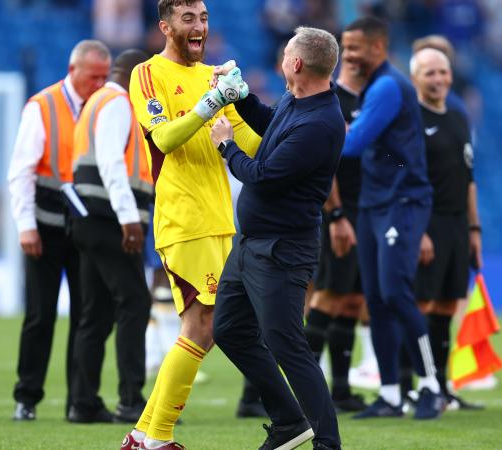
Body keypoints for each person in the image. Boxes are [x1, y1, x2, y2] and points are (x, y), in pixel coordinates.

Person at [119, 1, 260, 448]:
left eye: (203, 18)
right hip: (183, 218)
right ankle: (154, 435)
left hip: (220, 219)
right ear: (165, 26)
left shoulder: (214, 75)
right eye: (188, 19)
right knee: (204, 325)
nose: (198, 27)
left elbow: (249, 144)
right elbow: (162, 138)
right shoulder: (147, 73)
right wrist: (209, 104)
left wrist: (283, 112)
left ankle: (145, 434)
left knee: (206, 327)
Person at [212, 26, 344, 450]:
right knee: (229, 330)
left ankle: (328, 442)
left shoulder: (322, 123)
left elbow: (264, 177)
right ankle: (288, 421)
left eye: (287, 52)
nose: (282, 57)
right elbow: (272, 127)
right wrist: (241, 97)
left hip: (282, 251)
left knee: (289, 346)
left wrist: (226, 147)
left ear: (297, 64)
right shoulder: (298, 101)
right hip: (251, 244)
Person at [338, 16, 445, 420]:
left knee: (395, 292)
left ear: (378, 48)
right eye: (344, 47)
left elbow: (353, 144)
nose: (348, 54)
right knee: (378, 300)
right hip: (373, 202)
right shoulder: (376, 87)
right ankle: (391, 394)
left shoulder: (387, 86)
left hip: (402, 202)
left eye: (354, 48)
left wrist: (311, 136)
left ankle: (432, 386)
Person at [7, 39, 110, 421]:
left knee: (87, 316)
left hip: (87, 228)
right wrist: (25, 226)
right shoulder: (42, 106)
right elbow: (20, 171)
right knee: (40, 314)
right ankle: (27, 397)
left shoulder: (105, 106)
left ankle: (79, 401)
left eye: (104, 77)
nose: (100, 84)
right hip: (46, 228)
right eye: (93, 76)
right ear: (73, 71)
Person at [69, 48, 153, 424]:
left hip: (91, 217)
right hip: (110, 219)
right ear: (136, 75)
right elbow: (111, 162)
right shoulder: (118, 102)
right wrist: (128, 218)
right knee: (135, 303)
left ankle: (83, 402)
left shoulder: (95, 102)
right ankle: (131, 400)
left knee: (96, 313)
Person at [410, 47, 484, 410]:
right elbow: (406, 178)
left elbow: (469, 178)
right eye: (430, 73)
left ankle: (440, 385)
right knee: (420, 305)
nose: (439, 79)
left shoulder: (458, 116)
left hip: (457, 223)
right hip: (427, 221)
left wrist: (474, 229)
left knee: (445, 306)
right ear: (415, 78)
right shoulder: (410, 119)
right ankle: (415, 385)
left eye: (443, 72)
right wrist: (418, 230)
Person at [301, 25, 368, 413]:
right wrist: (337, 213)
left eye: (363, 49)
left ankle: (340, 390)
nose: (356, 56)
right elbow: (329, 168)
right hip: (335, 213)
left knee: (351, 299)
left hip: (363, 213)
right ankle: (305, 393)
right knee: (325, 295)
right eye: (350, 49)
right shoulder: (332, 101)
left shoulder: (371, 100)